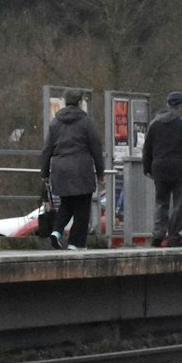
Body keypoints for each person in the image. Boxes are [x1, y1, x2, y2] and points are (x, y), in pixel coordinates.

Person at [39, 90, 105, 249]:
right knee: (83, 206)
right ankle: (76, 243)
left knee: (66, 204)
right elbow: (96, 147)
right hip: (81, 168)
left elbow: (47, 150)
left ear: (65, 102)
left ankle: (56, 232)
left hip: (60, 169)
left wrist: (44, 172)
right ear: (80, 102)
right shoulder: (86, 122)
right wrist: (100, 172)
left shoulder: (55, 123)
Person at [142, 90, 182, 247]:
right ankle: (173, 237)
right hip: (181, 169)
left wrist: (147, 167)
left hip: (159, 168)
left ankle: (157, 236)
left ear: (168, 105)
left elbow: (147, 148)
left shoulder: (155, 123)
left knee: (161, 202)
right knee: (179, 203)